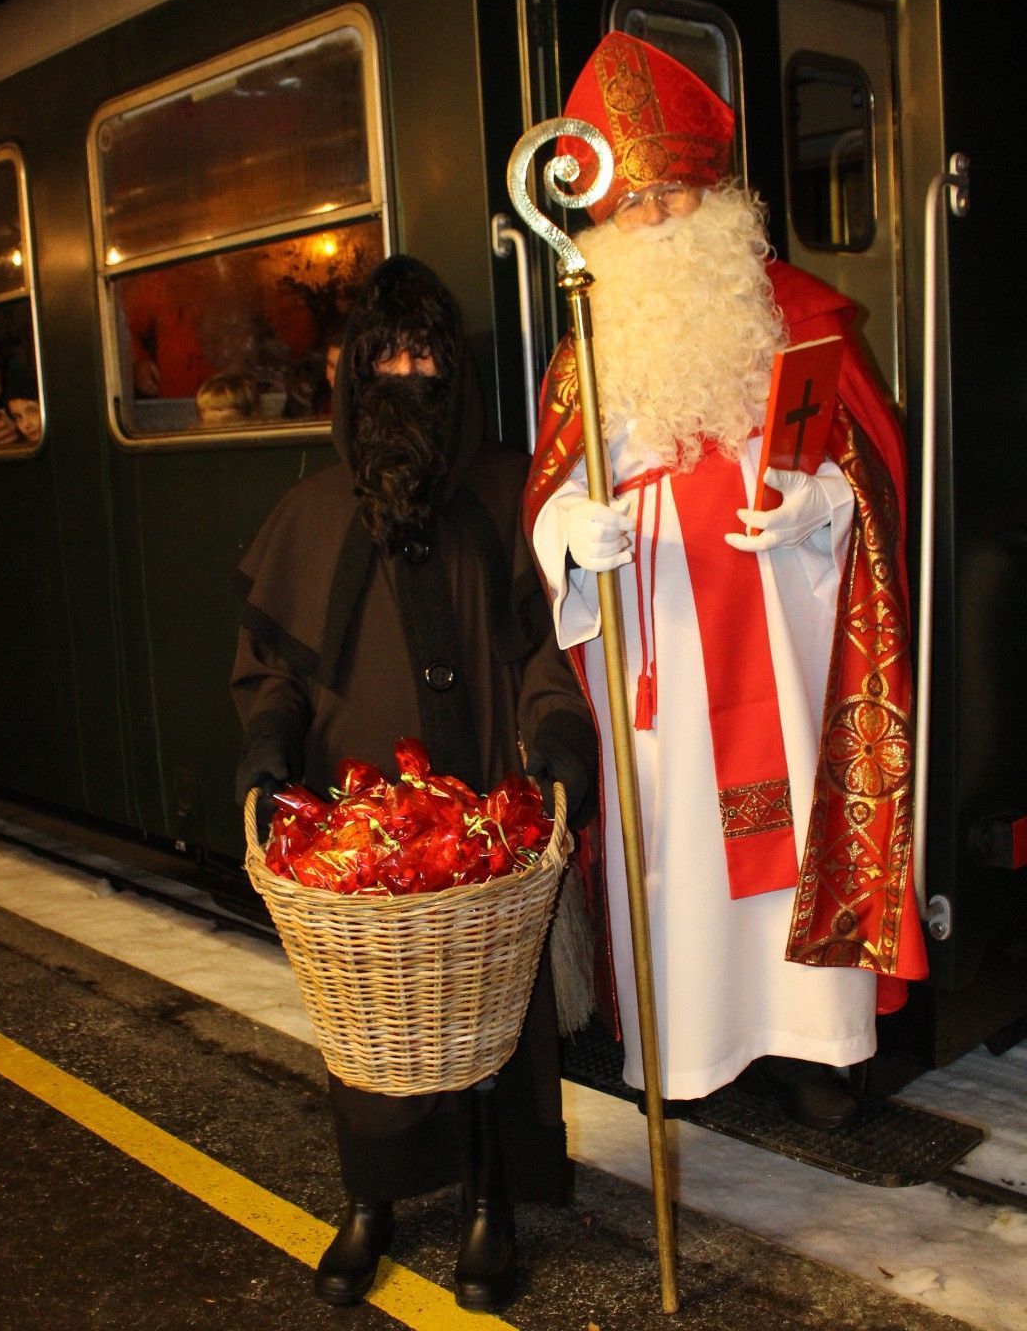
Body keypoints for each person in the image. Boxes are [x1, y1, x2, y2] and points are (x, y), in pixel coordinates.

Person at [523, 32, 928, 1132]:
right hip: (655, 646)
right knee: (679, 854)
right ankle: (694, 1049)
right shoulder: (583, 348)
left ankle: (819, 1047)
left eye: (673, 194)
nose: (655, 220)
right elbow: (547, 489)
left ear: (714, 193)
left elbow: (875, 480)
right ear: (601, 219)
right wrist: (569, 530)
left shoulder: (797, 315)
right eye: (633, 201)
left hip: (787, 640)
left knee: (795, 824)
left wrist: (824, 509)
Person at [231, 255, 597, 1312]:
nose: (409, 373)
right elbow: (278, 674)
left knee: (488, 1017)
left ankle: (490, 1197)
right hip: (362, 834)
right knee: (370, 1025)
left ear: (459, 368)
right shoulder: (307, 512)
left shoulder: (503, 488)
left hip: (482, 813)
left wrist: (555, 744)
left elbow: (544, 654)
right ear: (354, 373)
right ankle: (373, 1203)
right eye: (388, 355)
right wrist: (265, 754)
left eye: (429, 354)